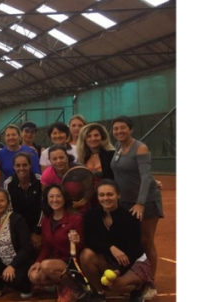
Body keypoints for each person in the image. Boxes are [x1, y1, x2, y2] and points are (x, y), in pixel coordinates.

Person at [110, 116, 163, 300]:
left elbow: (146, 176)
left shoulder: (140, 148)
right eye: (116, 129)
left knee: (146, 241)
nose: (119, 131)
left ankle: (150, 283)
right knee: (132, 241)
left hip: (145, 202)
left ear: (130, 129)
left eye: (122, 128)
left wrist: (140, 203)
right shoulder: (117, 147)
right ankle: (137, 278)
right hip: (125, 203)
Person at [80, 180, 153, 301]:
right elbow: (90, 241)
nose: (106, 198)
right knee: (86, 255)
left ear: (118, 195)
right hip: (111, 259)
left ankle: (139, 287)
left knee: (115, 286)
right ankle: (98, 293)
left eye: (110, 194)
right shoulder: (91, 216)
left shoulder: (131, 216)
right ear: (97, 197)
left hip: (134, 261)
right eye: (102, 195)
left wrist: (118, 271)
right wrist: (111, 248)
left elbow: (134, 250)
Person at [27, 185, 83, 297]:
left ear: (64, 198)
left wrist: (77, 241)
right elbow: (46, 247)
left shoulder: (76, 219)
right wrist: (38, 261)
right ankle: (61, 286)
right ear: (47, 200)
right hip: (55, 262)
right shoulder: (46, 221)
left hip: (72, 263)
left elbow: (82, 246)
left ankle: (76, 289)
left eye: (58, 196)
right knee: (34, 275)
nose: (55, 199)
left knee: (46, 266)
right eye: (51, 197)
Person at [3, 153, 43, 249]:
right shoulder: (8, 184)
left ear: (30, 165)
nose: (21, 168)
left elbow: (44, 208)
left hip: (38, 227)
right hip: (18, 227)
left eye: (25, 165)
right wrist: (21, 233)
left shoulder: (40, 181)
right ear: (13, 167)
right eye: (18, 165)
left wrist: (37, 231)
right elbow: (9, 210)